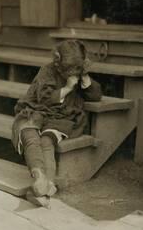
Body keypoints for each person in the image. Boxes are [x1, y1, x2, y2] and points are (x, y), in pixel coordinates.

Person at [11, 40, 102, 207]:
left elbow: (96, 96)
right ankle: (39, 175)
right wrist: (67, 88)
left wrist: (86, 79)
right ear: (58, 63)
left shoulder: (79, 72)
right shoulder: (47, 71)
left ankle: (48, 184)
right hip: (37, 109)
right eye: (69, 70)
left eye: (77, 68)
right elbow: (43, 98)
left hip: (62, 116)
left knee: (47, 141)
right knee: (28, 132)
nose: (73, 73)